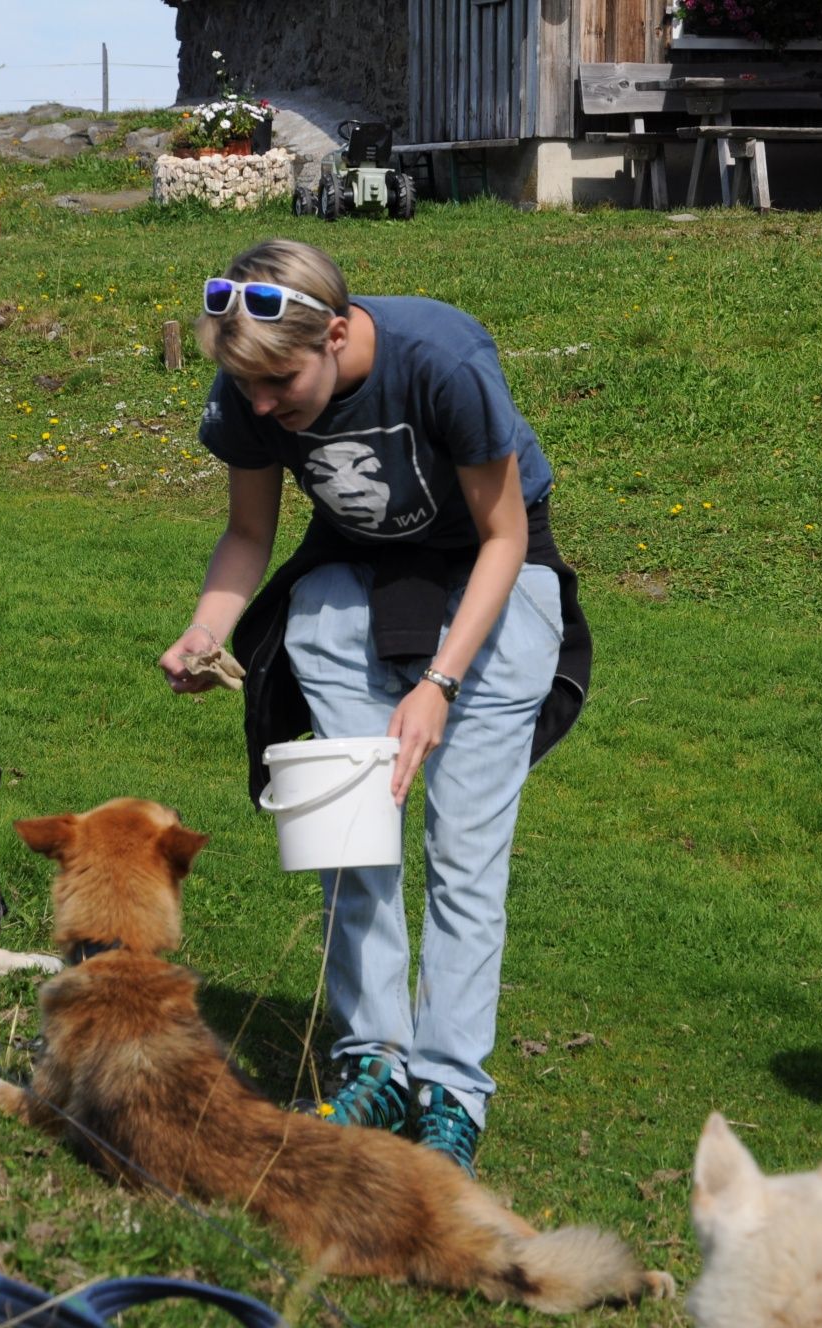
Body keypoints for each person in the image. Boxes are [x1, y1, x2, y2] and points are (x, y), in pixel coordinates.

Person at [157, 239, 591, 1177]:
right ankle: (376, 1058)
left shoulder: (441, 360)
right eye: (250, 390)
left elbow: (505, 535)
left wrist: (439, 683)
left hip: (492, 581)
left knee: (466, 855)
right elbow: (246, 532)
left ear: (340, 332)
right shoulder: (251, 384)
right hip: (352, 578)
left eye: (282, 387)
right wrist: (205, 629)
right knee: (349, 836)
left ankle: (451, 1089)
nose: (265, 409)